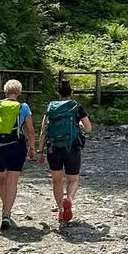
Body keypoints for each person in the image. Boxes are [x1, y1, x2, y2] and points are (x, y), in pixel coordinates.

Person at [0, 80, 36, 232]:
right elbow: (30, 130)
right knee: (12, 181)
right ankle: (6, 213)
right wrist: (32, 148)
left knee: (1, 178)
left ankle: (6, 208)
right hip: (17, 147)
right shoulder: (23, 107)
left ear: (5, 91)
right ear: (19, 92)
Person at [38, 79, 91, 225]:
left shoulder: (51, 107)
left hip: (53, 148)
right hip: (71, 147)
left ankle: (61, 210)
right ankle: (69, 199)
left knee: (57, 180)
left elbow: (43, 131)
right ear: (71, 92)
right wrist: (78, 124)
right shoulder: (76, 106)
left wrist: (40, 151)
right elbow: (88, 128)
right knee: (73, 179)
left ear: (58, 93)